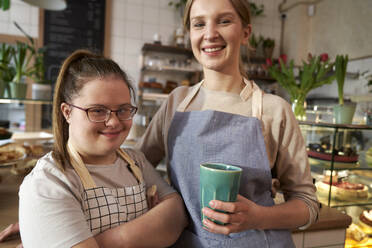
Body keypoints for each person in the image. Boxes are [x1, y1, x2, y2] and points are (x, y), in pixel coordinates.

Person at [136, 0, 319, 247]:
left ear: (245, 33)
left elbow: (307, 204)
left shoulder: (274, 111)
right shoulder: (176, 102)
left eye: (224, 21)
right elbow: (136, 167)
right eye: (199, 24)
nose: (210, 34)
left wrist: (258, 217)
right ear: (190, 34)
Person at [16, 50, 187, 248]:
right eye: (97, 110)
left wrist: (103, 242)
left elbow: (177, 213)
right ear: (67, 112)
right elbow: (167, 224)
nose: (114, 122)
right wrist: (150, 226)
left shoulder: (135, 161)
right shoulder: (49, 182)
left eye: (123, 109)